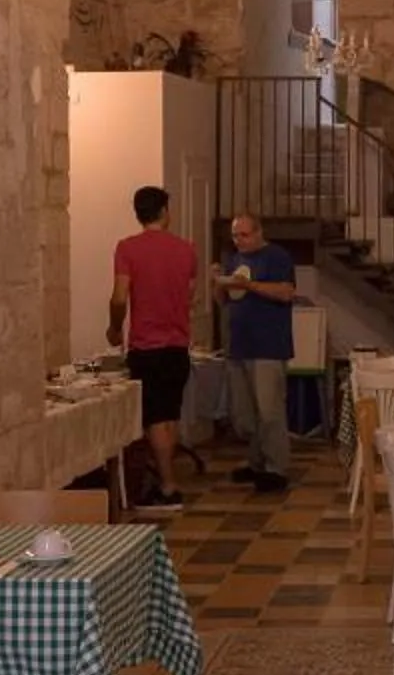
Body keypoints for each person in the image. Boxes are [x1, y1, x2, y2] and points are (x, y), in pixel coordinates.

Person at [106, 184, 197, 509]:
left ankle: (168, 486)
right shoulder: (186, 249)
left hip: (147, 344)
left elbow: (120, 296)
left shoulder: (128, 249)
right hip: (177, 344)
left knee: (154, 419)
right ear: (164, 212)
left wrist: (115, 327)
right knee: (169, 415)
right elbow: (190, 295)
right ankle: (167, 478)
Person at [213, 211, 299, 494]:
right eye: (236, 236)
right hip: (240, 344)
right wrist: (218, 283)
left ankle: (276, 467)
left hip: (268, 345)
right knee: (244, 413)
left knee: (269, 409)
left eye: (244, 235)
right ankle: (256, 461)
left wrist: (249, 285)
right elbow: (224, 300)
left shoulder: (276, 257)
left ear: (259, 232)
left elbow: (286, 292)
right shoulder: (235, 259)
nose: (239, 240)